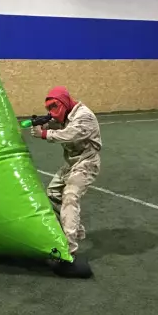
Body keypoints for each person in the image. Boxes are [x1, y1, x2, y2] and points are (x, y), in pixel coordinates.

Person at [30, 86, 102, 256]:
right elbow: (57, 123)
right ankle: (77, 230)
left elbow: (69, 134)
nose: (52, 112)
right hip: (71, 163)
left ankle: (69, 248)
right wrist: (44, 123)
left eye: (54, 107)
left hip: (87, 163)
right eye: (49, 108)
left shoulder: (84, 116)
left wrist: (44, 133)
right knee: (53, 194)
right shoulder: (66, 114)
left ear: (64, 102)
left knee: (70, 196)